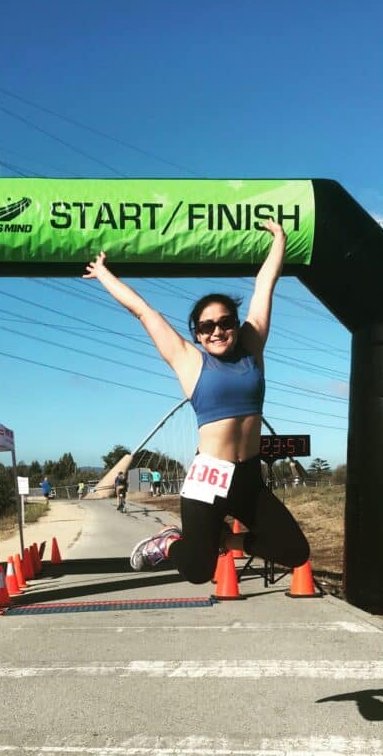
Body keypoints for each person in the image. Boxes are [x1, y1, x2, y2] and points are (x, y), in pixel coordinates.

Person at [83, 219, 310, 580]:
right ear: (197, 333)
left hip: (248, 475)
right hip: (210, 473)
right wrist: (104, 274)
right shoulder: (189, 360)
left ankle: (226, 543)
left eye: (225, 322)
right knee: (196, 571)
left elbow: (265, 285)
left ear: (236, 324)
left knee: (295, 551)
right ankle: (169, 542)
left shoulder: (252, 346)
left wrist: (279, 239)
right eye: (207, 326)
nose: (217, 330)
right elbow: (145, 312)